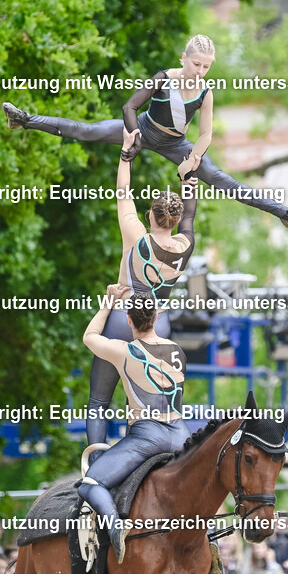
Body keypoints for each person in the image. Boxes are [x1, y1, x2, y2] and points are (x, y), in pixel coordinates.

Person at [2, 34, 288, 229]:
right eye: (196, 64)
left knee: (224, 182)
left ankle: (285, 214)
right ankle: (24, 119)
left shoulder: (205, 92)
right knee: (87, 131)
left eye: (206, 67)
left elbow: (206, 134)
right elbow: (129, 107)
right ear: (184, 58)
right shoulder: (164, 78)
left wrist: (193, 159)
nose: (200, 71)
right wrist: (132, 134)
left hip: (176, 144)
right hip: (143, 128)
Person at [86, 128, 199, 463]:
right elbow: (191, 218)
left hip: (122, 317)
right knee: (145, 400)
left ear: (151, 215)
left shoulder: (136, 235)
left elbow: (123, 193)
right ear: (175, 220)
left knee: (99, 401)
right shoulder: (183, 247)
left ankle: (96, 467)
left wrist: (126, 154)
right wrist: (188, 177)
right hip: (158, 328)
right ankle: (142, 463)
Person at [79, 285, 191, 563]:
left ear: (128, 320)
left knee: (90, 482)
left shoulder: (125, 351)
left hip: (147, 437)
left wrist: (109, 302)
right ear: (156, 318)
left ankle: (116, 529)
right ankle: (208, 539)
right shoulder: (177, 351)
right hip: (182, 435)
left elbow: (89, 336)